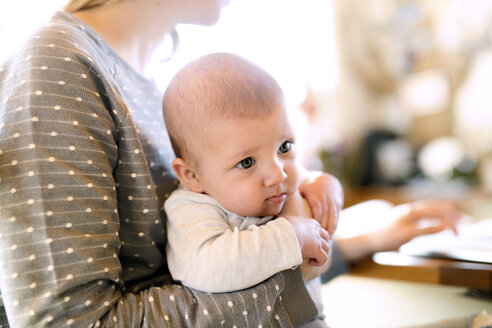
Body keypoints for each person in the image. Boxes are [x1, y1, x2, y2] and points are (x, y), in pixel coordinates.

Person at [0, 0, 344, 327]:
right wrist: (291, 284)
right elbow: (70, 322)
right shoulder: (59, 66)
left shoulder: (148, 82)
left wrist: (322, 212)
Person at [162, 52, 332, 326]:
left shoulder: (275, 183)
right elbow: (209, 266)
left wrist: (324, 185)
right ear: (192, 176)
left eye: (284, 146)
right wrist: (292, 235)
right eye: (247, 162)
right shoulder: (191, 208)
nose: (279, 173)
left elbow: (305, 182)